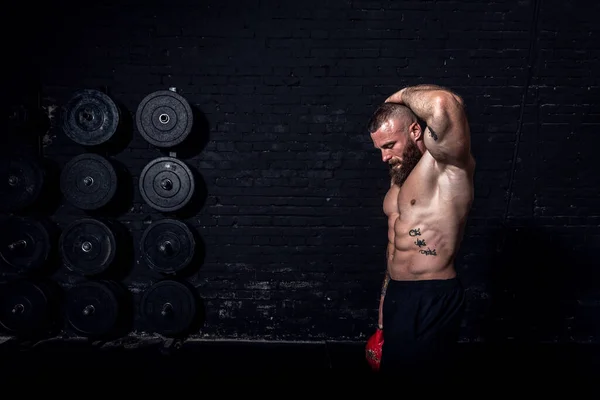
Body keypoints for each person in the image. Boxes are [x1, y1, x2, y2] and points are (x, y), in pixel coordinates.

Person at [366, 84, 476, 378]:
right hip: (398, 297)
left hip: (432, 296)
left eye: (389, 145)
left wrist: (399, 96)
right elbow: (394, 248)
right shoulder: (398, 177)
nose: (385, 157)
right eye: (379, 149)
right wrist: (381, 322)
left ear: (415, 130)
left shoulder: (447, 164)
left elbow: (445, 101)